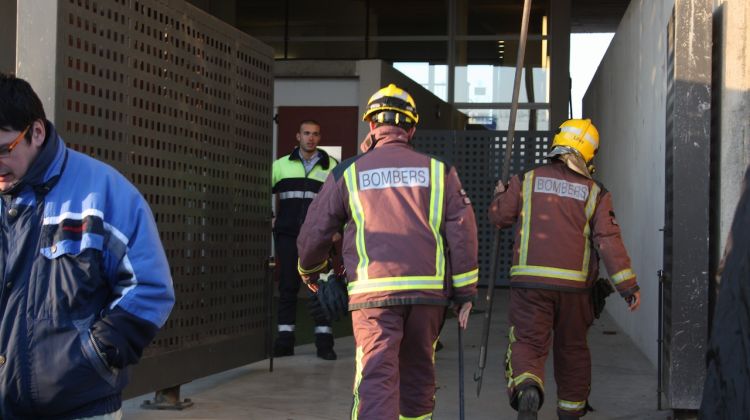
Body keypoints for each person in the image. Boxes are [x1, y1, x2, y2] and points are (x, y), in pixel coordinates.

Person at [297, 84, 479, 419]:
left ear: (371, 126)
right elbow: (463, 231)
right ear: (411, 129)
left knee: (376, 378)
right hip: (428, 295)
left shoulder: (347, 172)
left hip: (373, 296)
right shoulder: (440, 171)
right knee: (419, 378)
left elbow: (315, 229)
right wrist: (464, 293)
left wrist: (311, 270)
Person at [0, 73, 175, 419]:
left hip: (80, 405)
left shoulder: (104, 192)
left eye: (3, 149)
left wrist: (94, 355)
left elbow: (150, 288)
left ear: (36, 132)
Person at [488, 118, 641, 420]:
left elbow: (499, 217)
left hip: (529, 285)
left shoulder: (527, 178)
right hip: (576, 290)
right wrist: (628, 287)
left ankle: (528, 389)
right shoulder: (596, 192)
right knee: (572, 350)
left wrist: (500, 194)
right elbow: (608, 240)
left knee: (528, 343)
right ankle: (570, 412)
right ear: (589, 153)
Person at [272, 119, 339, 360]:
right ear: (298, 137)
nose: (311, 138)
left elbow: (340, 202)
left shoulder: (332, 167)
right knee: (287, 287)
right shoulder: (280, 166)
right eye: (307, 133)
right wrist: (272, 218)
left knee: (321, 288)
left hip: (319, 239)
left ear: (320, 138)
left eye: (315, 134)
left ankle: (324, 344)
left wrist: (336, 229)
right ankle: (284, 342)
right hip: (288, 236)